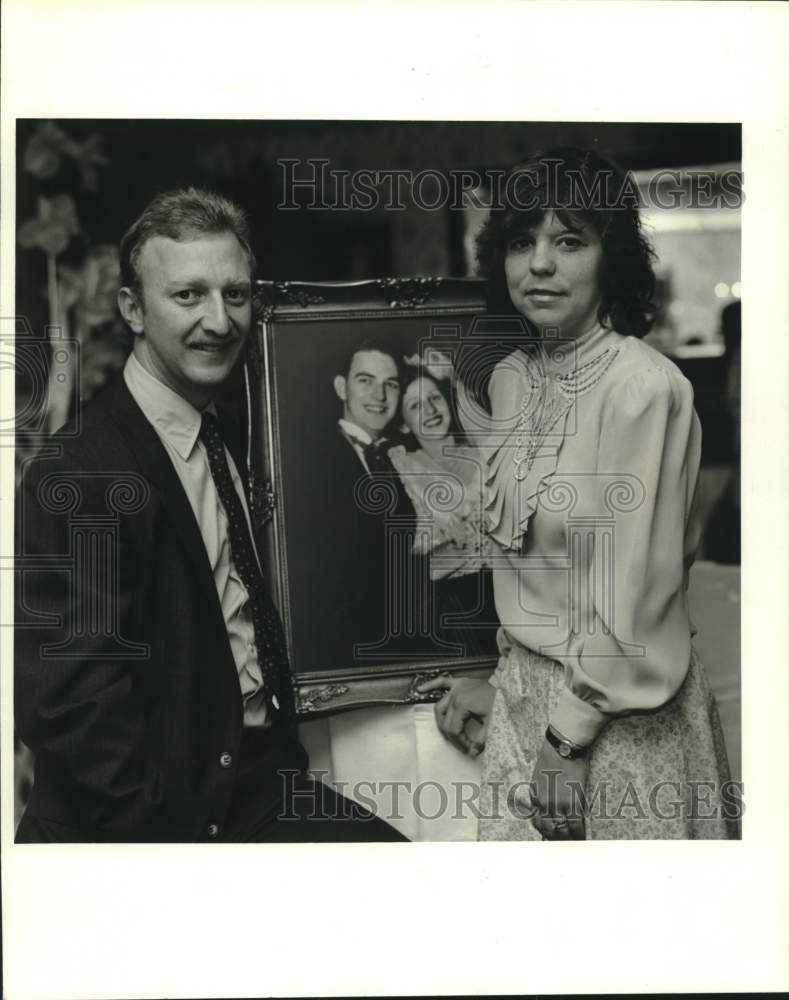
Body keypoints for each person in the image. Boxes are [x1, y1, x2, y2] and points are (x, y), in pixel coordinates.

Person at [14, 187, 406, 843]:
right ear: (133, 309)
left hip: (253, 777)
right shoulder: (81, 471)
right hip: (152, 813)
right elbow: (70, 706)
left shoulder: (220, 428)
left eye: (236, 293)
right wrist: (180, 855)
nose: (220, 321)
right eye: (189, 295)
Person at [422, 148, 738, 840]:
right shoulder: (510, 379)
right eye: (520, 242)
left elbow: (631, 600)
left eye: (568, 241)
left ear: (610, 258)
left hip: (617, 730)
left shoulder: (638, 389)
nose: (538, 264)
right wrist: (507, 688)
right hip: (527, 707)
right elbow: (538, 587)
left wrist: (565, 738)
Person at [387, 360, 498, 656]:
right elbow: (402, 540)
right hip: (455, 605)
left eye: (435, 398)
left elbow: (504, 444)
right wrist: (443, 533)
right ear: (402, 423)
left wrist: (453, 377)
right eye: (415, 406)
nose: (430, 410)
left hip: (509, 589)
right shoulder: (402, 465)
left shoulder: (480, 453)